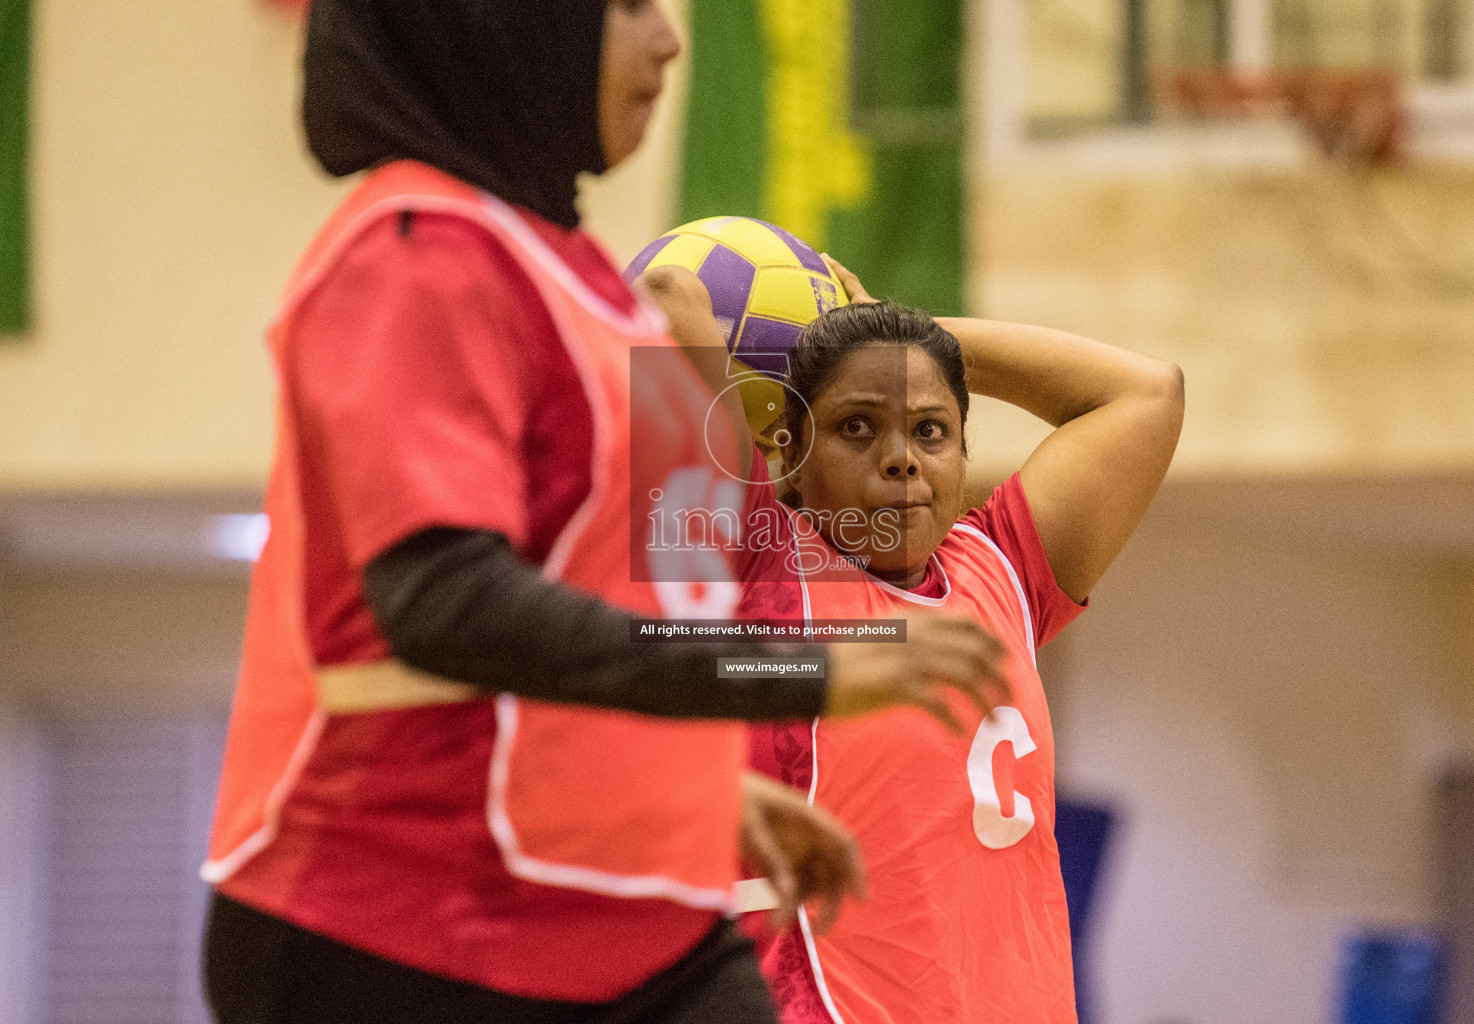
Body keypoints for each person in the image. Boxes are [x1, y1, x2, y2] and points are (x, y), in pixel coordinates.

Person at [199, 3, 1009, 1023]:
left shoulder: (580, 274)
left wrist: (680, 786)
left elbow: (615, 600)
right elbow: (448, 605)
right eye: (628, 5)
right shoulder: (414, 252)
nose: (670, 38)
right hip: (389, 917)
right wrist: (798, 668)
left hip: (587, 902)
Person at [712, 260, 1186, 1024]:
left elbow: (1146, 394)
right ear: (791, 462)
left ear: (963, 456)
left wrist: (911, 340)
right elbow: (667, 335)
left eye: (930, 430)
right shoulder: (763, 565)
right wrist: (843, 347)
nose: (901, 456)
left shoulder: (1003, 570)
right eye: (856, 426)